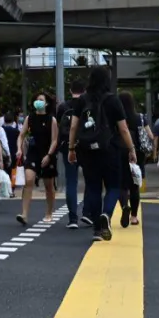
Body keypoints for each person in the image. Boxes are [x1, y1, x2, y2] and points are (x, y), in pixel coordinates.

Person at [66, 67, 136, 242]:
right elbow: (124, 129)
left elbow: (74, 126)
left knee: (94, 187)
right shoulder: (114, 100)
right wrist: (132, 149)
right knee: (113, 186)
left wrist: (71, 149)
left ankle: (97, 229)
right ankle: (107, 214)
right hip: (110, 149)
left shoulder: (82, 100)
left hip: (87, 150)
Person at [16, 93, 58, 226]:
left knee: (48, 186)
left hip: (47, 153)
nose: (38, 102)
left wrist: (49, 155)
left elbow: (54, 140)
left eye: (41, 100)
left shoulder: (52, 120)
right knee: (29, 180)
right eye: (36, 100)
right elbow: (21, 135)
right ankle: (24, 214)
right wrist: (19, 149)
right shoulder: (30, 118)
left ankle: (49, 213)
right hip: (33, 153)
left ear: (46, 103)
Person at [55, 79, 87, 229]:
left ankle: (73, 218)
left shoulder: (63, 107)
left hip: (68, 147)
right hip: (86, 146)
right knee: (91, 181)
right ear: (84, 90)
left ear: (70, 91)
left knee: (71, 182)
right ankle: (88, 214)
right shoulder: (87, 104)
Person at [117, 92, 145, 227]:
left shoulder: (116, 116)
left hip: (120, 150)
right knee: (135, 184)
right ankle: (134, 216)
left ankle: (124, 206)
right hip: (137, 152)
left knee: (121, 184)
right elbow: (146, 134)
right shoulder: (139, 117)